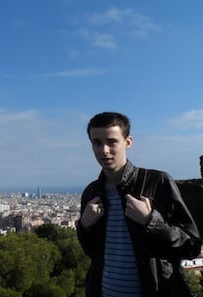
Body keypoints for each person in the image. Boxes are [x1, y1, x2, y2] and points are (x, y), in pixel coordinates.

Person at [77, 112, 202, 297]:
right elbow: (93, 252)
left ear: (128, 142)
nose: (104, 150)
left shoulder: (157, 182)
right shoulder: (92, 192)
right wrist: (84, 226)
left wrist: (150, 221)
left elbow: (191, 246)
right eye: (97, 143)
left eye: (112, 141)